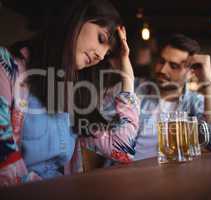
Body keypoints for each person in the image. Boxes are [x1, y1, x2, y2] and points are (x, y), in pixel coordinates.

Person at [0, 0, 139, 186]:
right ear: (77, 19)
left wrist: (127, 77)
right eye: (101, 38)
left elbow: (123, 149)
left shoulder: (75, 93)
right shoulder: (6, 67)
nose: (99, 56)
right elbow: (5, 164)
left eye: (106, 55)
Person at [134, 34, 211, 160]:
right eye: (161, 61)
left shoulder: (195, 102)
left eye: (174, 66)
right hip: (121, 172)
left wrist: (208, 80)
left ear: (191, 73)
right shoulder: (134, 87)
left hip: (168, 174)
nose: (163, 69)